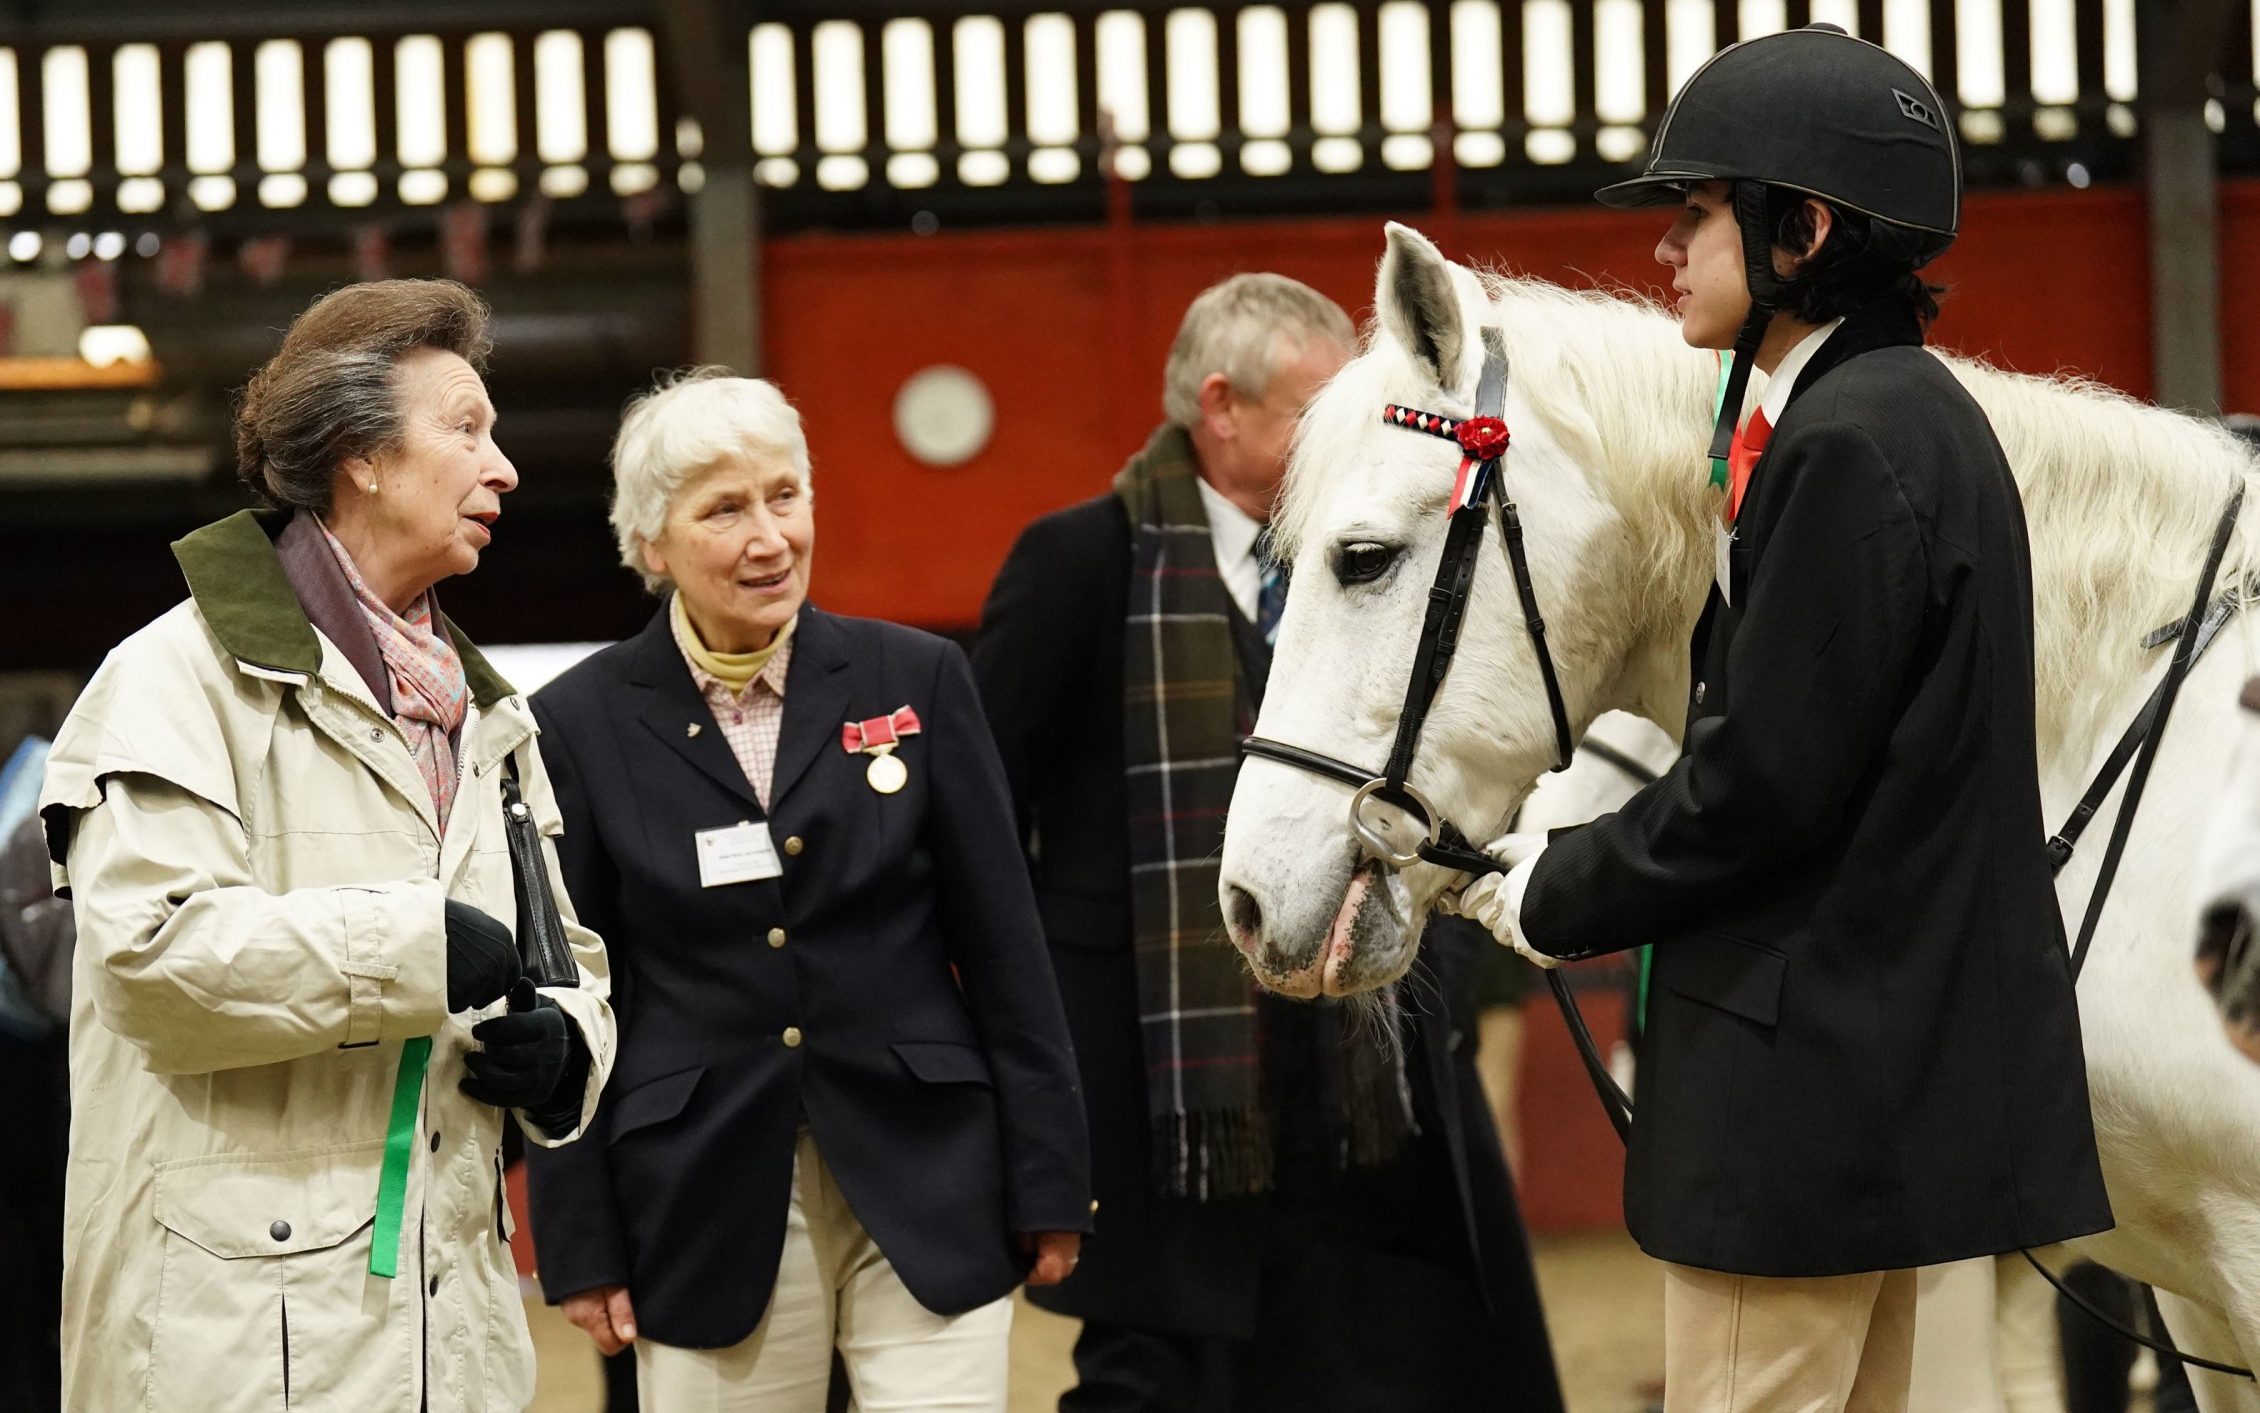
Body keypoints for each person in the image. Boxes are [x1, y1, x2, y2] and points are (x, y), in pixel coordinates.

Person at [1448, 25, 2112, 1411]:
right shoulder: (1917, 419)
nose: (1665, 251)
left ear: (1800, 230)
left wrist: (1554, 885)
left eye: (1696, 217)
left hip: (1801, 1095)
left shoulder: (1847, 443)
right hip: (1886, 1088)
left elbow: (1763, 784)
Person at [974, 273, 1563, 1411]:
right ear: (1219, 406)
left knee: (1384, 1348)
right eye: (1311, 407)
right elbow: (994, 814)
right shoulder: (1081, 563)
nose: (1341, 433)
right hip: (1172, 1075)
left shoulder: (1380, 551)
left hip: (1367, 1061)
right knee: (1166, 1371)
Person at [37, 278, 615, 1412]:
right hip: (234, 1342)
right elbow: (154, 963)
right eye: (465, 428)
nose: (502, 467)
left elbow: (561, 959)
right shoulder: (172, 678)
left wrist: (564, 1048)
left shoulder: (486, 714)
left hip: (457, 1340)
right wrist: (413, 949)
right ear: (360, 454)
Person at [522, 369, 1090, 1412]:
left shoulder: (915, 679)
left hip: (929, 1165)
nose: (769, 537)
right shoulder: (576, 722)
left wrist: (1051, 1176)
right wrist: (577, 1234)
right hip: (699, 1188)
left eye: (785, 496)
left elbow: (1007, 948)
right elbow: (571, 1000)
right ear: (652, 545)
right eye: (724, 510)